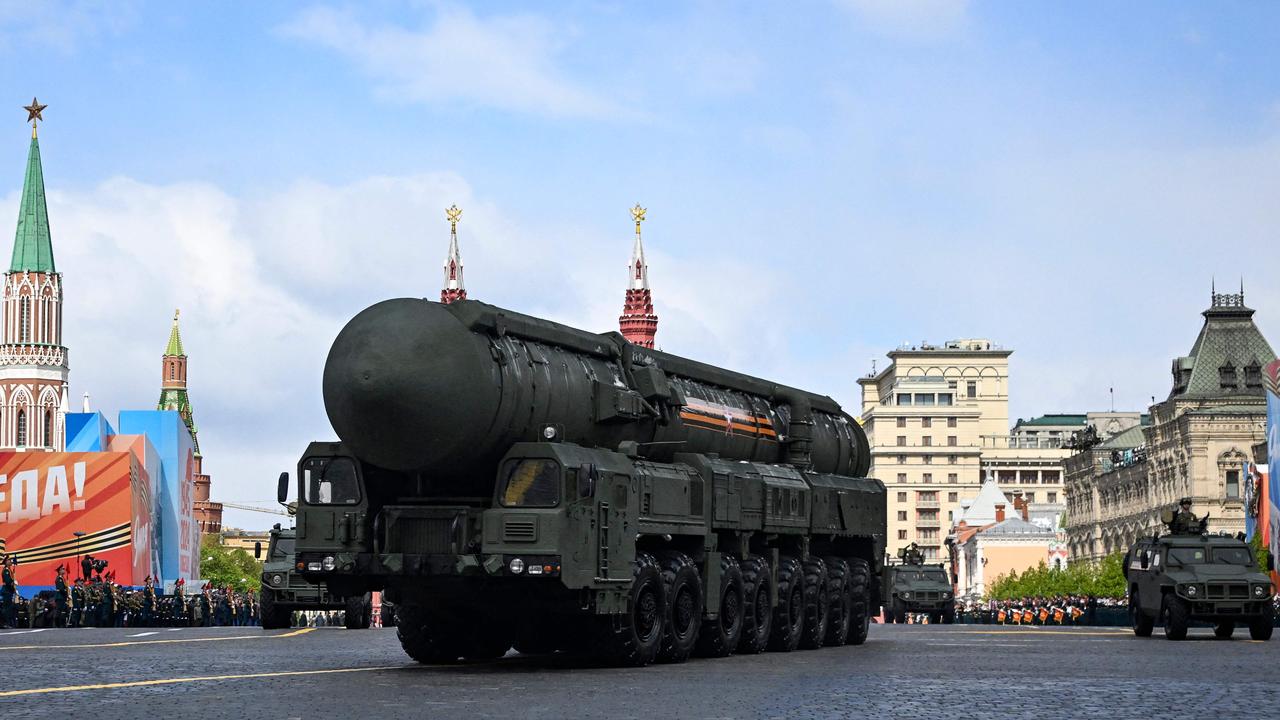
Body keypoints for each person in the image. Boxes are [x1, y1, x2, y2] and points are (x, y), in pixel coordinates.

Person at [1, 555, 16, 628]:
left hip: (9, 591)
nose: (11, 561)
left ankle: (7, 623)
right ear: (6, 562)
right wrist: (13, 583)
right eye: (9, 560)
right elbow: (8, 581)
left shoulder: (9, 570)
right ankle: (5, 623)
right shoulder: (6, 571)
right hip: (6, 591)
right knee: (6, 608)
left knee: (8, 608)